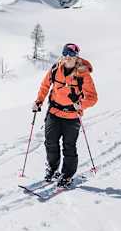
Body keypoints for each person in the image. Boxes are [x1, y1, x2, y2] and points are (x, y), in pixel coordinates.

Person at [32, 43, 98, 188]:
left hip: (72, 116)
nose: (68, 57)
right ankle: (53, 168)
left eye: (72, 54)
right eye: (65, 54)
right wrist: (39, 101)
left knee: (69, 146)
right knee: (50, 142)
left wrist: (80, 104)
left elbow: (93, 98)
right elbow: (44, 86)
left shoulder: (83, 74)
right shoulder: (55, 69)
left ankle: (67, 175)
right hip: (54, 112)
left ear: (77, 57)